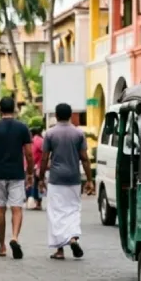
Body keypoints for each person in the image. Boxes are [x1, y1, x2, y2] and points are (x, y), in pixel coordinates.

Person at [38, 103, 94, 260]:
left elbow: (44, 158)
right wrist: (89, 179)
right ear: (70, 115)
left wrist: (41, 178)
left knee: (56, 213)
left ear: (56, 115)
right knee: (73, 210)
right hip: (74, 178)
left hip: (56, 178)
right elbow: (84, 158)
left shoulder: (50, 134)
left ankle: (59, 250)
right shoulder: (78, 134)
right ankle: (73, 238)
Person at [0, 97, 33, 259]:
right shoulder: (22, 128)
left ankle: (2, 246)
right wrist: (31, 172)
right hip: (17, 173)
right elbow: (29, 153)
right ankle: (14, 237)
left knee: (0, 209)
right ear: (15, 109)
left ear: (0, 109)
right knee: (17, 207)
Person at [26, 127, 44, 210]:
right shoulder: (39, 140)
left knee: (34, 184)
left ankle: (35, 202)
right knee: (37, 184)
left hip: (35, 166)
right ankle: (37, 203)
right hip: (37, 166)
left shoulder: (37, 140)